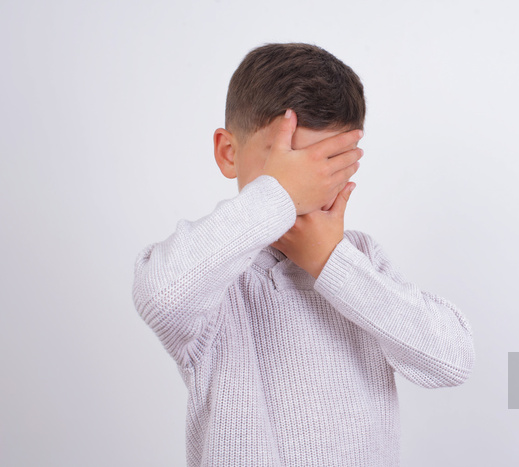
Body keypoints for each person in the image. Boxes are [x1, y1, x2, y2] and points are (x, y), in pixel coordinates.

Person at [132, 42, 475, 467]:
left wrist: (331, 262)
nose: (305, 191)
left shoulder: (359, 258)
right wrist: (274, 198)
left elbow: (452, 361)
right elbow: (160, 296)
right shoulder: (214, 276)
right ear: (229, 153)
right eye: (288, 169)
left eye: (328, 165)